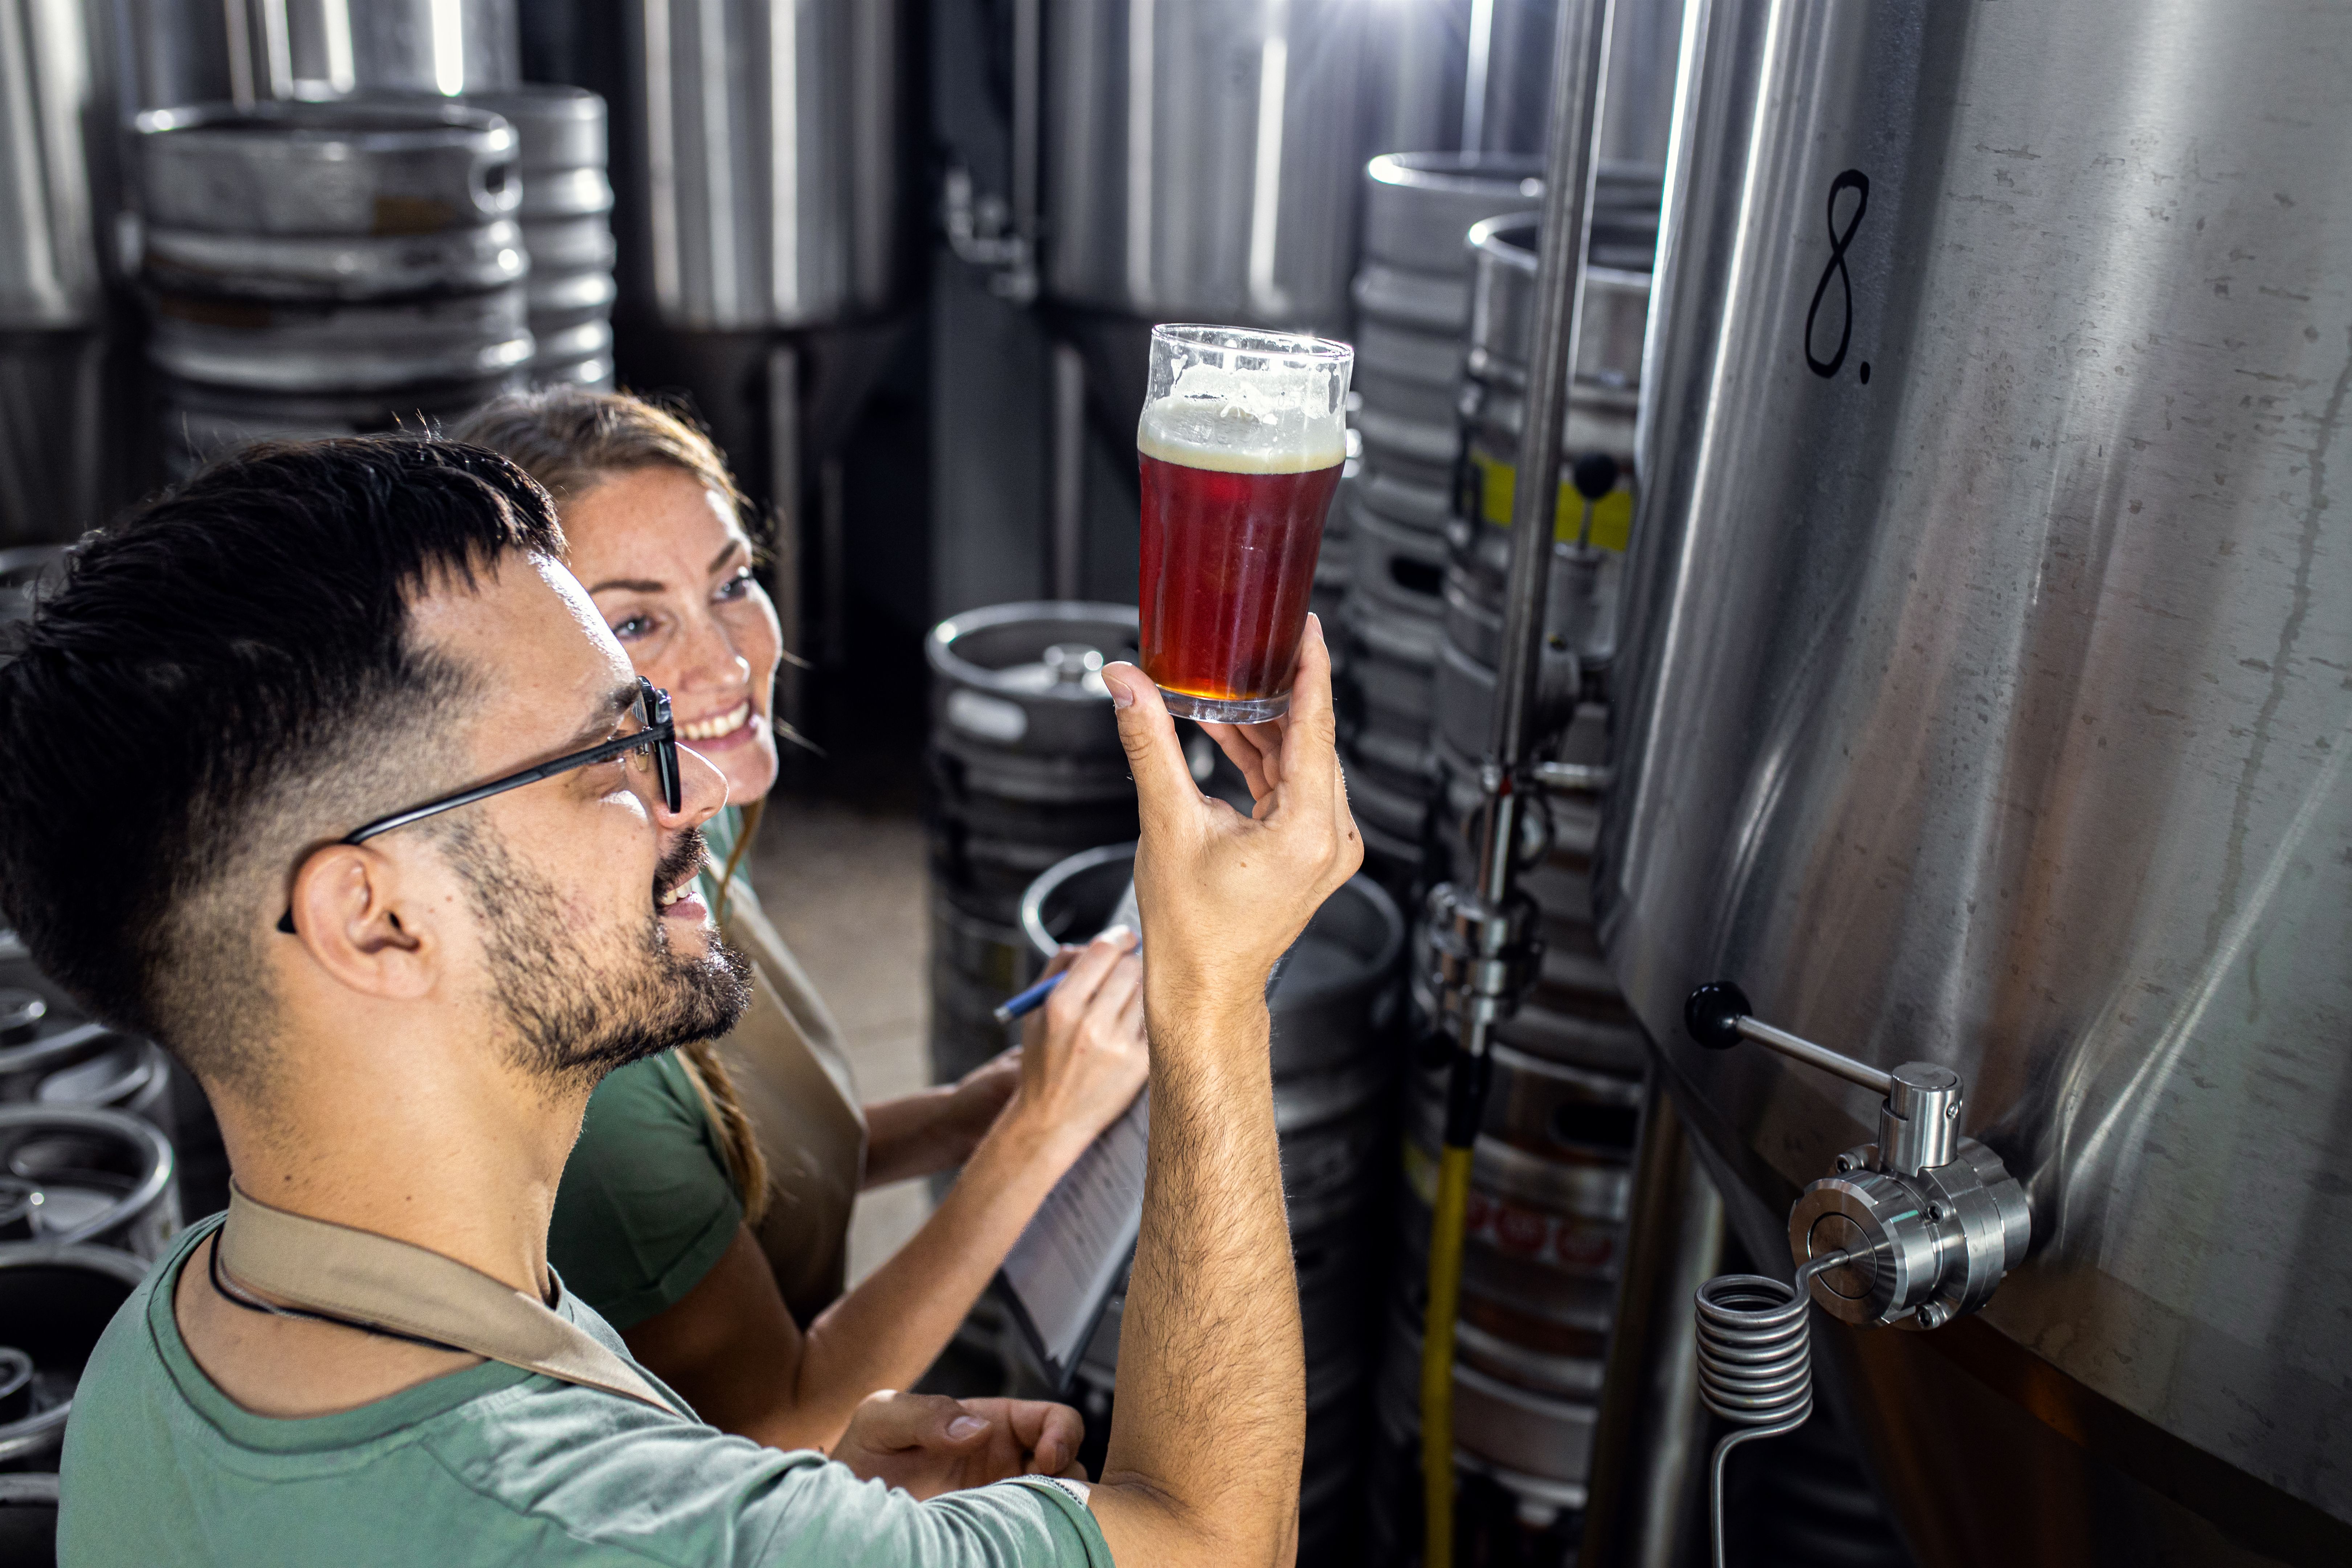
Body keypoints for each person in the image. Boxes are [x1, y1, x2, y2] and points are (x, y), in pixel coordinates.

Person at [4, 435, 1361, 1566]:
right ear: (377, 917)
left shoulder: (157, 1347)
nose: (696, 792)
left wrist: (799, 1501)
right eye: (610, 754)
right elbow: (1214, 1544)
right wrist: (1213, 990)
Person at [450, 388, 1146, 1449]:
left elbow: (745, 1174)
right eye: (634, 620)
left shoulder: (687, 824)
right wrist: (1044, 1135)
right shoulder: (600, 1055)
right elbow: (774, 1422)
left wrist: (973, 1116)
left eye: (731, 583)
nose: (730, 660)